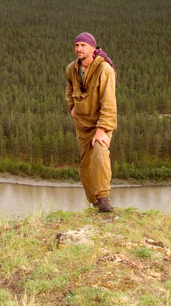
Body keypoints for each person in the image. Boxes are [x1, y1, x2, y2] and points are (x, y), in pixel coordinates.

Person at [64, 31, 117, 212]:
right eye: (77, 45)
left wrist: (102, 129)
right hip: (82, 124)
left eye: (83, 45)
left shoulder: (104, 70)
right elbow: (69, 87)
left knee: (100, 154)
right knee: (85, 164)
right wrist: (72, 106)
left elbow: (109, 102)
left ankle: (103, 198)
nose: (79, 49)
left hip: (100, 123)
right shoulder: (72, 68)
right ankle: (94, 201)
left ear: (93, 48)